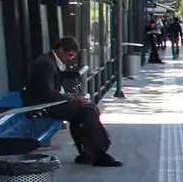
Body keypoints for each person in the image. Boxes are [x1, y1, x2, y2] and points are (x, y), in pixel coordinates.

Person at [25, 37, 122, 167]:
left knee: (88, 107)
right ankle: (99, 153)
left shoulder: (51, 61)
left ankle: (89, 151)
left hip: (50, 102)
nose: (70, 59)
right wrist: (71, 99)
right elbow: (47, 94)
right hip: (43, 106)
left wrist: (72, 98)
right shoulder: (45, 64)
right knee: (87, 111)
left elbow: (55, 84)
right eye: (70, 55)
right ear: (61, 49)